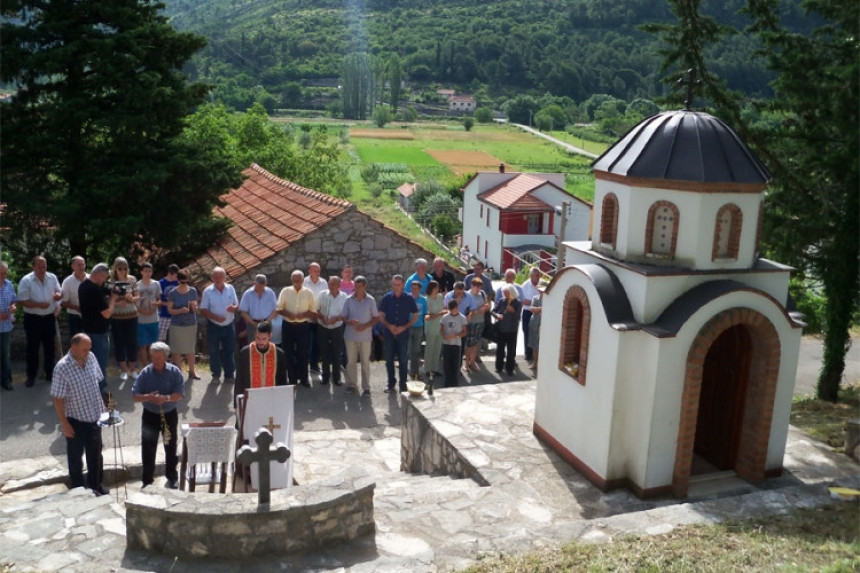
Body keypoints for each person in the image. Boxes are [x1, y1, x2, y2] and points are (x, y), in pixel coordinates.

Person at [50, 333, 108, 496]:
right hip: (75, 420)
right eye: (84, 349)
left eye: (89, 348)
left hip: (95, 417)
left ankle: (96, 486)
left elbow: (96, 384)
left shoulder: (91, 358)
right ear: (73, 348)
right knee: (75, 457)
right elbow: (58, 399)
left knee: (96, 455)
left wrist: (102, 406)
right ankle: (78, 490)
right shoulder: (62, 368)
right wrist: (65, 424)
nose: (88, 352)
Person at [132, 342, 184, 489]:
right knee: (148, 448)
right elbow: (134, 395)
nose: (156, 361)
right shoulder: (145, 373)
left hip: (169, 414)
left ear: (166, 357)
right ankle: (147, 480)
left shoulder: (174, 372)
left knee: (170, 446)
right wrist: (148, 397)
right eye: (153, 357)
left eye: (159, 358)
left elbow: (180, 394)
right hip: (150, 414)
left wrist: (166, 398)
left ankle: (172, 477)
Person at [18, 255, 63, 387]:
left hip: (49, 317)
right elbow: (22, 300)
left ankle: (50, 374)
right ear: (33, 267)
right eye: (39, 266)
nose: (42, 269)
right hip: (33, 319)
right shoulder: (26, 280)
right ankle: (31, 376)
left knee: (50, 347)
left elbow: (60, 293)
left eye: (44, 266)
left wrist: (58, 295)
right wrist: (38, 304)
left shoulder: (52, 277)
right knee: (33, 348)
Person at [79, 263, 116, 394]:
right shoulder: (93, 290)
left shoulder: (84, 285)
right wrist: (113, 300)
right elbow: (107, 313)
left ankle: (94, 387)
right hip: (98, 332)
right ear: (99, 274)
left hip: (89, 330)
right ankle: (100, 390)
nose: (106, 280)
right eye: (105, 277)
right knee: (100, 361)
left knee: (90, 362)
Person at [234, 320, 289, 407]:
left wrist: (283, 403)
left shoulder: (279, 354)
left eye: (264, 339)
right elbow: (239, 381)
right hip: (250, 402)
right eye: (258, 338)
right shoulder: (245, 353)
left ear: (270, 336)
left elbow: (283, 381)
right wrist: (237, 405)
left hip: (272, 401)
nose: (260, 342)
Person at [378, 275, 418, 393]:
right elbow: (380, 315)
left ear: (403, 285)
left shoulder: (409, 298)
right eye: (394, 285)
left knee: (403, 360)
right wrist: (389, 326)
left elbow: (415, 316)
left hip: (403, 334)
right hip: (389, 333)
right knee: (389, 360)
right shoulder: (387, 298)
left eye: (398, 285)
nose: (396, 287)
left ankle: (403, 385)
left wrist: (404, 327)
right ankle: (391, 384)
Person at [200, 267, 239, 385]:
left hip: (229, 325)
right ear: (212, 278)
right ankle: (215, 375)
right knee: (214, 351)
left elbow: (237, 305)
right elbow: (203, 310)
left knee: (229, 350)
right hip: (214, 325)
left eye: (220, 276)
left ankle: (229, 375)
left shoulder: (230, 288)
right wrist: (215, 317)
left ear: (225, 278)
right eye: (215, 276)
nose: (218, 279)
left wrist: (234, 308)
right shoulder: (207, 291)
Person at [277, 270, 316, 387]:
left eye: (298, 281)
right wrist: (288, 314)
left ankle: (304, 378)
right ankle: (292, 379)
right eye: (294, 281)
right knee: (287, 353)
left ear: (303, 280)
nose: (296, 283)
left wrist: (303, 315)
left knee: (303, 353)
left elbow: (313, 311)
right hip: (288, 325)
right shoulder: (285, 291)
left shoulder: (309, 293)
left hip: (303, 326)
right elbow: (279, 308)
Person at [342, 276, 378, 396]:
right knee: (351, 362)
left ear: (365, 286)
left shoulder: (371, 300)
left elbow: (376, 318)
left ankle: (366, 387)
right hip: (350, 336)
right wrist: (350, 322)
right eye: (356, 286)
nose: (358, 289)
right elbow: (343, 317)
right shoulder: (348, 300)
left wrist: (365, 326)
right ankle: (352, 384)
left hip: (365, 337)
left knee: (365, 363)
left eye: (360, 286)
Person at [165, 269, 199, 380]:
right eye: (182, 282)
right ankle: (178, 372)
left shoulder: (193, 291)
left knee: (190, 349)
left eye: (186, 281)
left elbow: (195, 307)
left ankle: (192, 371)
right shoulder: (172, 293)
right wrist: (180, 310)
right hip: (177, 324)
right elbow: (170, 310)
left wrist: (194, 307)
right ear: (178, 280)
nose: (184, 284)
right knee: (176, 350)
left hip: (190, 323)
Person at [109, 257, 139, 381]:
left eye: (125, 268)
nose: (122, 271)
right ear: (115, 269)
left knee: (132, 342)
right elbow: (108, 300)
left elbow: (138, 296)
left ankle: (132, 369)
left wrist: (131, 298)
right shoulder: (111, 282)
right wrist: (116, 303)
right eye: (120, 268)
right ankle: (123, 370)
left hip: (131, 314)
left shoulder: (132, 279)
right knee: (119, 342)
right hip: (117, 316)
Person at [316, 276, 347, 386]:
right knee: (324, 352)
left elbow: (345, 314)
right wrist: (322, 317)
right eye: (330, 283)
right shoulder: (322, 294)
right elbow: (316, 309)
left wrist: (336, 318)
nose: (331, 286)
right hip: (323, 326)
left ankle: (337, 378)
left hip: (337, 327)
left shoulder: (344, 297)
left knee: (337, 353)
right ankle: (325, 376)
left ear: (339, 285)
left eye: (333, 284)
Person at [303, 262, 329, 373]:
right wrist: (311, 313)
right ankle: (304, 365)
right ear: (309, 271)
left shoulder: (324, 283)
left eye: (318, 271)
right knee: (305, 342)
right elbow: (302, 299)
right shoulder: (303, 281)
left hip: (319, 317)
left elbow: (326, 299)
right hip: (307, 317)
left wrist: (318, 314)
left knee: (318, 343)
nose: (317, 273)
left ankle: (314, 364)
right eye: (315, 271)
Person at [493, 284, 522, 376]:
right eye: (504, 293)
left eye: (507, 293)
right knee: (500, 349)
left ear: (512, 292)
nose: (505, 295)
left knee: (511, 351)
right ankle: (499, 367)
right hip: (501, 329)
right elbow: (493, 311)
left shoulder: (517, 303)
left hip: (512, 330)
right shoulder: (502, 301)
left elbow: (518, 317)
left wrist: (513, 311)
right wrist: (497, 315)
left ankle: (510, 369)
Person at [135, 263, 161, 367]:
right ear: (141, 272)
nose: (147, 273)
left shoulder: (156, 284)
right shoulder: (137, 285)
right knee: (143, 345)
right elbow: (134, 302)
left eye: (149, 271)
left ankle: (153, 365)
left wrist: (156, 305)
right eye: (145, 271)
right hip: (141, 320)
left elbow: (159, 299)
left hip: (154, 319)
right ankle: (145, 366)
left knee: (153, 345)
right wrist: (142, 311)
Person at [238, 274, 278, 341]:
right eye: (258, 287)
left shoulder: (270, 293)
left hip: (266, 323)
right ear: (254, 283)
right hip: (252, 324)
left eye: (262, 287)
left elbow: (276, 310)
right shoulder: (247, 294)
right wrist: (254, 324)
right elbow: (243, 312)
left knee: (266, 346)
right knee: (253, 346)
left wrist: (267, 321)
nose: (260, 289)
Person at [463, 277, 489, 372]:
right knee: (469, 344)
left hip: (480, 322)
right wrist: (477, 311)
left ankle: (472, 362)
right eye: (476, 287)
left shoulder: (482, 294)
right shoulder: (467, 295)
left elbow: (487, 305)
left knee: (476, 343)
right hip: (471, 322)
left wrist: (485, 308)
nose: (478, 289)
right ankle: (466, 364)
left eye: (479, 287)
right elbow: (465, 310)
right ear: (472, 285)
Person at [440, 299, 467, 388]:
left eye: (454, 309)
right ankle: (447, 383)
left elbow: (464, 332)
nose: (453, 311)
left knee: (455, 365)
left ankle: (455, 384)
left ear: (457, 307)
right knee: (446, 365)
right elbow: (441, 329)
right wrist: (444, 335)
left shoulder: (462, 318)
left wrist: (456, 335)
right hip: (447, 344)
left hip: (456, 344)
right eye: (451, 309)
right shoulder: (445, 317)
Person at [422, 280, 445, 382]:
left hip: (439, 325)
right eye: (435, 288)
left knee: (437, 348)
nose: (437, 290)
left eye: (437, 288)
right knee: (430, 348)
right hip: (431, 326)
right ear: (431, 288)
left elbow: (443, 308)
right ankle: (427, 368)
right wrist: (440, 314)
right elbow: (427, 317)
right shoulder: (426, 299)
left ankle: (435, 369)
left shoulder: (440, 297)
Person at [60, 256, 87, 338]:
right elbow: (64, 302)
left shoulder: (91, 279)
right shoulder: (67, 282)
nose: (81, 267)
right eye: (79, 265)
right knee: (77, 341)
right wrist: (77, 308)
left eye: (83, 264)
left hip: (90, 316)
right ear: (73, 267)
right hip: (74, 317)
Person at [520, 267, 543, 364]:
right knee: (526, 331)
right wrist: (533, 303)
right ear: (531, 276)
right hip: (527, 312)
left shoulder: (542, 284)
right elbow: (522, 300)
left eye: (539, 275)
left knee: (537, 334)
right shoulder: (525, 285)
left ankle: (537, 356)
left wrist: (532, 303)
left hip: (539, 313)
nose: (538, 277)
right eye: (536, 275)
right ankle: (528, 354)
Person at [0, 261, 17, 391]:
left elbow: (13, 301)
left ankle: (6, 380)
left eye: (5, 273)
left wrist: (13, 307)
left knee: (5, 354)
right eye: (1, 274)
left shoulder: (9, 284)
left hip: (6, 327)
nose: (3, 276)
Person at [407, 280, 427, 380]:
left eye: (415, 288)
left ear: (420, 289)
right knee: (408, 350)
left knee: (416, 350)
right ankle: (407, 370)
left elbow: (424, 314)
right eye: (412, 288)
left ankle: (414, 372)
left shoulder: (423, 300)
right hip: (408, 326)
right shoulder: (407, 298)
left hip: (419, 327)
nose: (413, 290)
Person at [528, 281, 548, 374]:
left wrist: (540, 310)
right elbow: (531, 308)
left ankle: (542, 363)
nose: (540, 291)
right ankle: (535, 362)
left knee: (543, 344)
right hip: (534, 323)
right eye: (539, 290)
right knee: (534, 343)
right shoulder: (535, 298)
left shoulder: (549, 299)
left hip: (544, 324)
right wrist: (540, 309)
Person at [157, 264, 179, 343]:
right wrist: (167, 304)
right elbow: (157, 300)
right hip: (164, 314)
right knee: (161, 338)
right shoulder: (160, 283)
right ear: (169, 274)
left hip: (176, 314)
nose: (176, 278)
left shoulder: (177, 283)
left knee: (176, 339)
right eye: (175, 276)